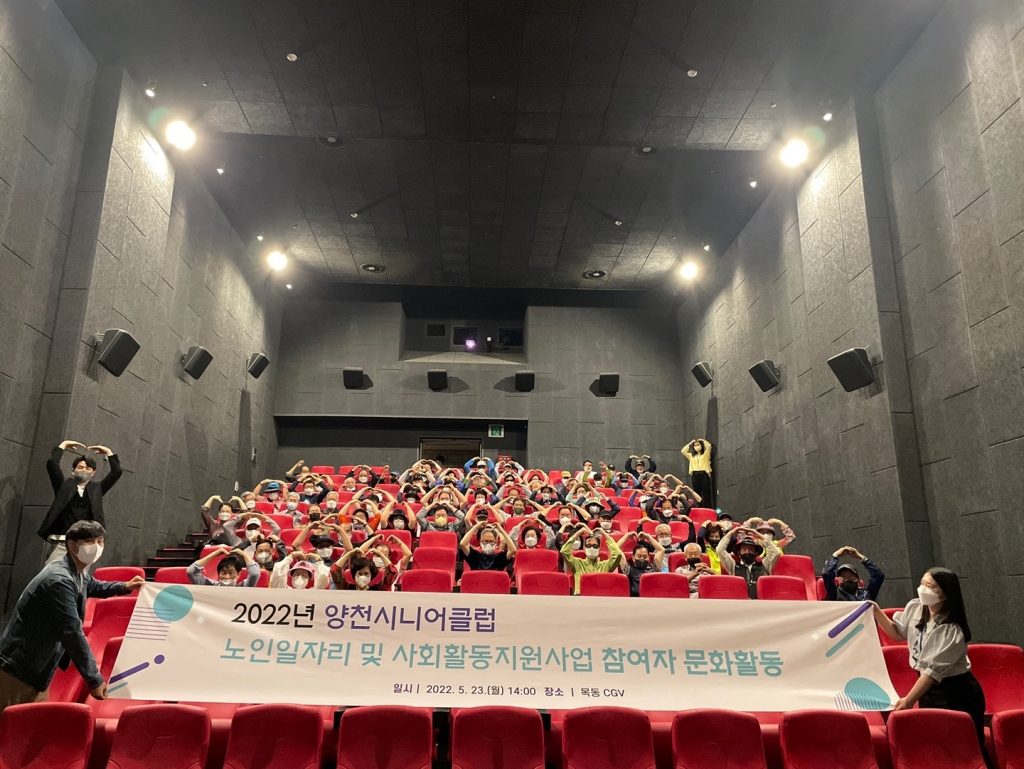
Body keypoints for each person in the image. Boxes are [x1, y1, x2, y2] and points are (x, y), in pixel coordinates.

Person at [0, 521, 144, 713]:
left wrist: (124, 587)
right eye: (89, 541)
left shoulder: (76, 571)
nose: (96, 546)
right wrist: (94, 679)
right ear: (71, 545)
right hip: (19, 667)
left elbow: (93, 585)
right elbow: (72, 632)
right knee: (10, 724)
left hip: (37, 669)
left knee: (31, 724)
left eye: (100, 541)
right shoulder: (59, 580)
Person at [872, 568, 989, 759]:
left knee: (964, 750)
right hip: (928, 691)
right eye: (922, 583)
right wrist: (877, 612)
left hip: (956, 692)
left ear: (945, 594)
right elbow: (896, 633)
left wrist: (909, 700)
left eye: (930, 586)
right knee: (936, 745)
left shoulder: (951, 629)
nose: (923, 589)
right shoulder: (916, 608)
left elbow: (931, 673)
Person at [38, 441, 121, 565]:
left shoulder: (96, 489)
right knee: (54, 570)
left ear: (93, 473)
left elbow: (116, 472)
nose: (84, 470)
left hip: (85, 543)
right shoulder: (64, 486)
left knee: (79, 573)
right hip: (62, 540)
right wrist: (64, 445)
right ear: (73, 471)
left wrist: (108, 452)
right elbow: (52, 465)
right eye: (80, 467)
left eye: (88, 468)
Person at [717, 526, 781, 598]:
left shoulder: (765, 565)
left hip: (761, 601)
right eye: (744, 550)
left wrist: (759, 535)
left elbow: (776, 553)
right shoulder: (733, 566)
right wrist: (731, 533)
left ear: (756, 553)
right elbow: (720, 550)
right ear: (739, 553)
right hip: (740, 601)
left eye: (751, 550)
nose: (747, 552)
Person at [560, 525, 622, 595]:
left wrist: (606, 535)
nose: (591, 548)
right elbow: (564, 551)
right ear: (584, 548)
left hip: (599, 597)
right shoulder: (577, 563)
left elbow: (618, 554)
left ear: (599, 549)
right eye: (588, 546)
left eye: (595, 546)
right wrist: (576, 535)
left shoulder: (606, 566)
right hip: (581, 598)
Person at [187, 546, 260, 586]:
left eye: (231, 573)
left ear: (238, 574)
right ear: (218, 574)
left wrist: (243, 554)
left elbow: (255, 574)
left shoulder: (244, 587)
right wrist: (214, 554)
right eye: (223, 572)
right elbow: (191, 572)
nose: (227, 577)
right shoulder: (211, 586)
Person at [681, 439, 713, 505]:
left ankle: (707, 507)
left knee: (706, 492)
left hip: (704, 473)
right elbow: (683, 451)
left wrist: (703, 440)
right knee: (696, 492)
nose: (697, 447)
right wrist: (690, 443)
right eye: (695, 445)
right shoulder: (691, 456)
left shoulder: (705, 455)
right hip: (695, 474)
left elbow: (709, 446)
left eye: (698, 445)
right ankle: (698, 507)